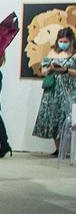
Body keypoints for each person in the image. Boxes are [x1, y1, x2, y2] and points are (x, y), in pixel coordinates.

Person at [31, 27, 76, 156]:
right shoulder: (52, 53)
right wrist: (50, 68)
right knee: (53, 117)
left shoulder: (74, 54)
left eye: (65, 41)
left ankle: (68, 149)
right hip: (53, 91)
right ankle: (58, 149)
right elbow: (43, 71)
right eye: (61, 40)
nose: (63, 43)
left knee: (67, 117)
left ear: (71, 40)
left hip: (69, 89)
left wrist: (66, 70)